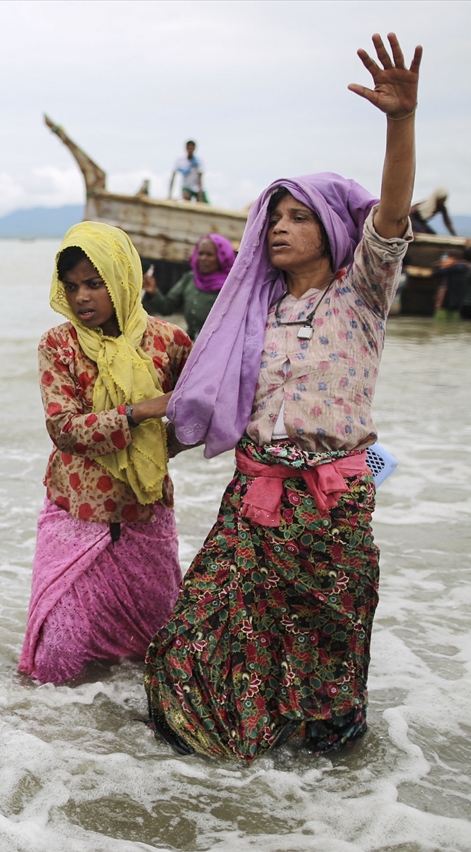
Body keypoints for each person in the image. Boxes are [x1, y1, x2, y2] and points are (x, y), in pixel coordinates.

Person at [145, 33, 419, 761]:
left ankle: (322, 800)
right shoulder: (251, 314)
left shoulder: (359, 296)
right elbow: (200, 399)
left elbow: (389, 221)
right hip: (254, 493)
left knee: (325, 651)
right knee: (196, 630)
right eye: (274, 217)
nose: (279, 227)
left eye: (297, 216)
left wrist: (400, 123)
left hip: (332, 502)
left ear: (330, 229)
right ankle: (225, 763)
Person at [19, 222, 193, 685]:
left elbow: (198, 416)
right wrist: (141, 413)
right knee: (57, 662)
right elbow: (65, 429)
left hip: (144, 515)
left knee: (153, 657)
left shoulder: (169, 342)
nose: (81, 298)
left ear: (122, 277)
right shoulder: (59, 344)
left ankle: (134, 752)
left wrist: (162, 445)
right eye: (72, 286)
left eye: (94, 284)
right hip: (75, 514)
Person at [141, 234, 236, 337]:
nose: (203, 258)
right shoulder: (190, 278)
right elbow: (167, 307)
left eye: (209, 254)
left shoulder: (230, 286)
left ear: (222, 258)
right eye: (200, 253)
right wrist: (153, 291)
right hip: (192, 343)